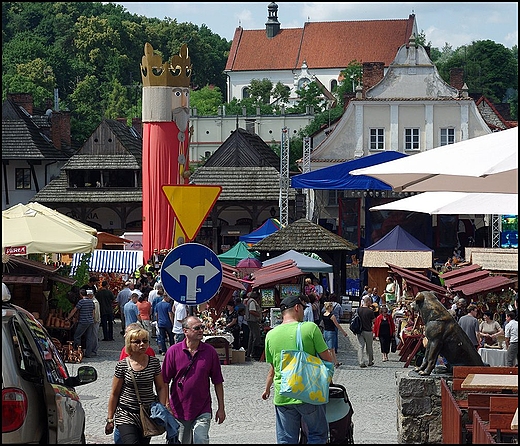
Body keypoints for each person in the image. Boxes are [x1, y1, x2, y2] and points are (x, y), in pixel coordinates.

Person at [261, 295, 334, 444]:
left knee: (286, 439)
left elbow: (273, 368)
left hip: (283, 393)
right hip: (309, 392)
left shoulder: (270, 335)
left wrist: (267, 388)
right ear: (297, 308)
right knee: (317, 434)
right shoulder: (310, 328)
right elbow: (327, 359)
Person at [162, 315, 226, 443]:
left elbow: (217, 381)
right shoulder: (173, 351)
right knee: (181, 441)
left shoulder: (210, 352)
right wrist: (166, 404)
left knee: (200, 439)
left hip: (202, 407)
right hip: (178, 408)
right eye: (197, 328)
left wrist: (221, 407)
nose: (201, 330)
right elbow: (164, 381)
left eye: (202, 327)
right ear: (185, 331)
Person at [105, 327, 168, 444]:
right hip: (126, 413)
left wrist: (162, 407)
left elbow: (160, 387)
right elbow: (114, 393)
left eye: (145, 341)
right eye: (137, 342)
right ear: (130, 344)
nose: (142, 344)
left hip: (147, 414)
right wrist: (110, 419)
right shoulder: (122, 365)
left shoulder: (154, 363)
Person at [66, 288, 96, 357]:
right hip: (90, 321)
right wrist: (92, 319)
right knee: (89, 337)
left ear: (81, 294)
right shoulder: (91, 302)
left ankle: (77, 352)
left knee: (77, 336)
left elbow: (74, 310)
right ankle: (88, 354)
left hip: (83, 321)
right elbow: (93, 313)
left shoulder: (81, 302)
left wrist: (68, 318)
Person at [322, 301, 348, 368]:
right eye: (332, 307)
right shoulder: (332, 316)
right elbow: (337, 325)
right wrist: (343, 332)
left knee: (329, 348)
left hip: (325, 332)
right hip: (331, 332)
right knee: (331, 349)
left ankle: (335, 362)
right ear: (330, 307)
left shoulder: (323, 315)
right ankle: (331, 362)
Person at [357, 295, 376, 367]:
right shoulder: (370, 311)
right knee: (369, 346)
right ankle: (370, 361)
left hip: (360, 330)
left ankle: (361, 362)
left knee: (361, 346)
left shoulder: (358, 310)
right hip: (368, 330)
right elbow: (374, 321)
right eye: (370, 301)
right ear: (367, 302)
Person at [245, 291, 262, 361]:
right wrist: (259, 314)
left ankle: (249, 353)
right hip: (253, 321)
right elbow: (251, 311)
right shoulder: (252, 302)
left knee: (251, 337)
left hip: (250, 320)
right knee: (256, 337)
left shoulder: (250, 301)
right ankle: (254, 353)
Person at [87, 289, 101, 356]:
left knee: (94, 335)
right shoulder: (94, 301)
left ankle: (94, 349)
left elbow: (96, 313)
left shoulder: (94, 302)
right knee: (93, 335)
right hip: (94, 320)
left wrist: (95, 320)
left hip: (95, 321)